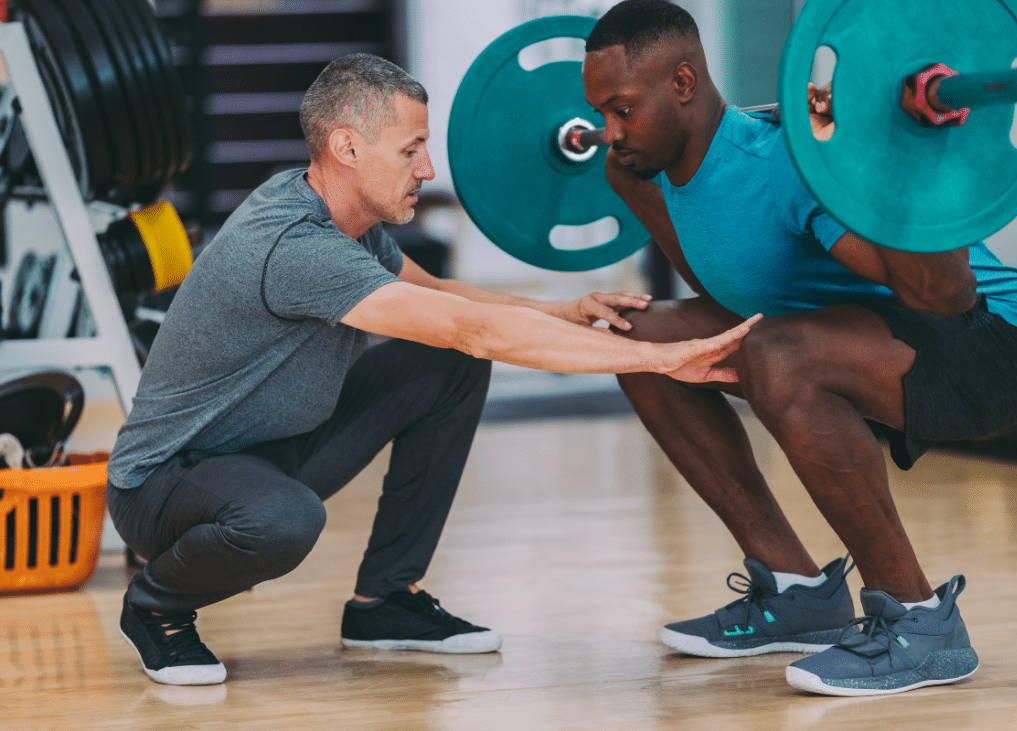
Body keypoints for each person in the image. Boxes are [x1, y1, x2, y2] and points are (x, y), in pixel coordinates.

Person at [105, 52, 758, 687]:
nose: (428, 167)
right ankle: (157, 604)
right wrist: (659, 357)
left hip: (272, 449)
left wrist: (565, 311)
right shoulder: (297, 247)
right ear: (347, 147)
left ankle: (384, 599)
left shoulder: (340, 213)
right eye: (409, 149)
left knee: (448, 365)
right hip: (167, 483)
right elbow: (471, 328)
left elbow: (442, 296)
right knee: (285, 518)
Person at [582, 0, 1017, 697]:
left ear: (684, 85)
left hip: (991, 336)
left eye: (622, 109)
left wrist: (901, 157)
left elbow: (940, 295)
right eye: (602, 113)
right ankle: (795, 592)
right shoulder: (640, 171)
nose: (609, 132)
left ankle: (918, 617)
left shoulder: (786, 164)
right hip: (882, 337)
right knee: (636, 343)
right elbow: (730, 293)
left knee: (780, 355)